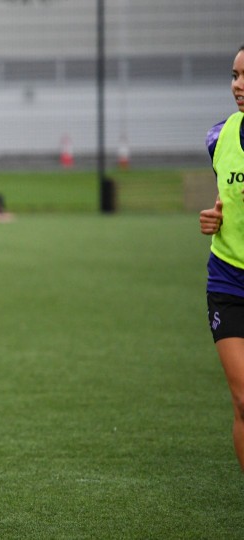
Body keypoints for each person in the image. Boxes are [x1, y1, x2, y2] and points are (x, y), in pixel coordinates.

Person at [199, 44, 244, 473]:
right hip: (228, 280)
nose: (238, 85)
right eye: (234, 75)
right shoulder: (219, 136)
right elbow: (225, 200)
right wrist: (215, 218)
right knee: (243, 398)